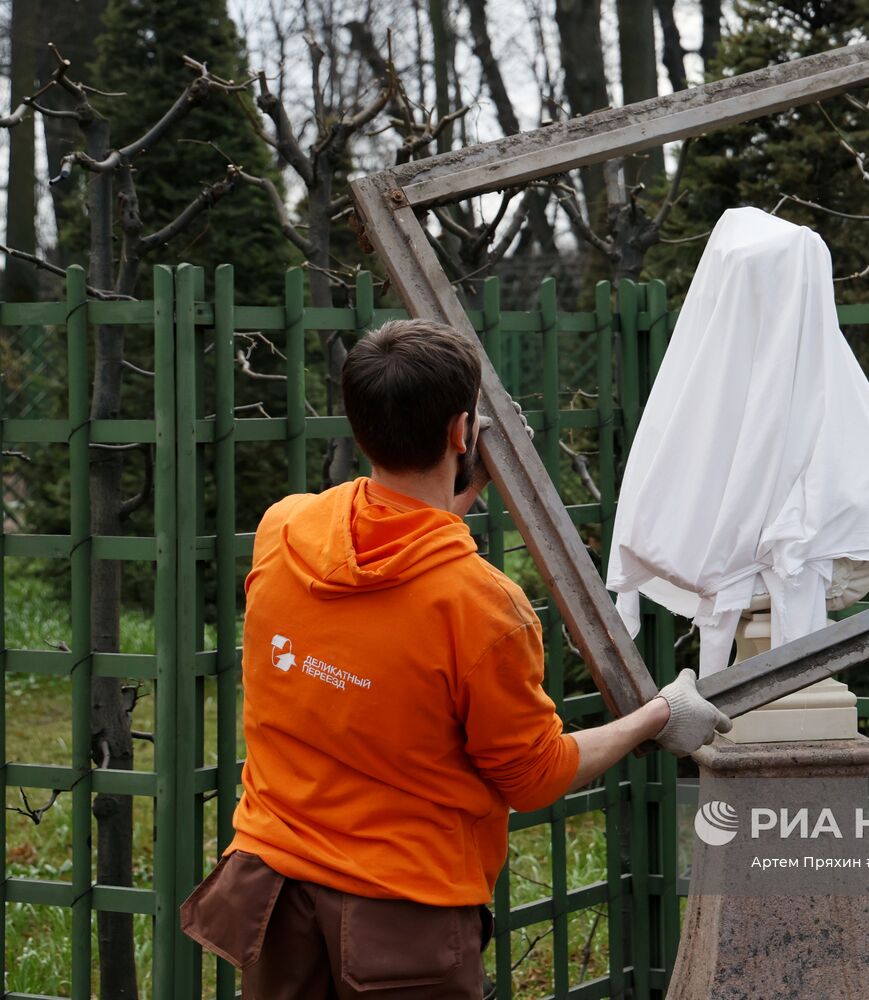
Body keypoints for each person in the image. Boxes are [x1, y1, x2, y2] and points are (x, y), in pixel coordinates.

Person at [180, 318, 731, 999]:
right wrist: (656, 717)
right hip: (398, 920)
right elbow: (533, 776)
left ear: (357, 427)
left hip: (272, 894)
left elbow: (378, 594)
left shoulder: (285, 528)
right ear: (461, 433)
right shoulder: (483, 608)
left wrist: (445, 501)